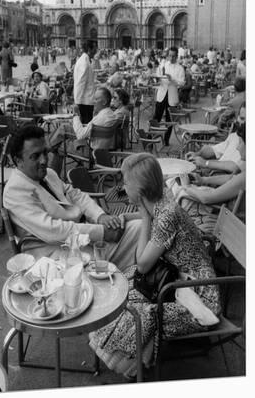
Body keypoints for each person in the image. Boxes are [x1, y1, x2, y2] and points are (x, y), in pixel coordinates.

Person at [89, 153, 220, 379]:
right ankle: (130, 358)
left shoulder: (165, 216)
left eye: (125, 182)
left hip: (199, 297)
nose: (122, 186)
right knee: (118, 286)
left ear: (139, 191)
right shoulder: (162, 201)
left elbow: (141, 265)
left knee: (131, 309)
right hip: (179, 281)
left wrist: (143, 218)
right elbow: (150, 219)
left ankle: (132, 366)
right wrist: (129, 217)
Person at [2, 125, 141, 269]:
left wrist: (100, 216)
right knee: (139, 233)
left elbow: (76, 195)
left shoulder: (49, 174)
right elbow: (52, 230)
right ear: (18, 161)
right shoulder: (15, 190)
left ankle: (143, 279)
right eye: (35, 156)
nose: (44, 160)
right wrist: (102, 232)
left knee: (139, 227)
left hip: (80, 238)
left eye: (45, 152)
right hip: (54, 254)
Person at [169, 165, 245, 236]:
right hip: (227, 216)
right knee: (180, 191)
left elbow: (206, 199)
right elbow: (233, 178)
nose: (236, 149)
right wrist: (203, 179)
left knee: (182, 196)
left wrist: (187, 187)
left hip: (228, 223)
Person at [186, 102, 246, 173]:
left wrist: (206, 163)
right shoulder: (234, 136)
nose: (238, 121)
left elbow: (236, 168)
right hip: (215, 174)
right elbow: (214, 150)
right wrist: (197, 154)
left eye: (243, 119)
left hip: (223, 177)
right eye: (241, 118)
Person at [153, 46, 185, 145]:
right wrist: (157, 78)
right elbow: (158, 76)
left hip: (172, 95)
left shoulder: (180, 68)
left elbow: (182, 83)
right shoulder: (163, 65)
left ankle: (166, 140)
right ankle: (151, 137)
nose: (171, 58)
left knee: (169, 119)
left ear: (177, 56)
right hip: (162, 93)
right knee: (156, 117)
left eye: (173, 56)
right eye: (170, 56)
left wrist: (172, 79)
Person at [73, 44, 96, 124]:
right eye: (94, 49)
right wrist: (77, 102)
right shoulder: (84, 62)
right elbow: (80, 83)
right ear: (89, 49)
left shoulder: (86, 60)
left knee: (86, 123)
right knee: (85, 125)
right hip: (84, 101)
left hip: (86, 99)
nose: (96, 51)